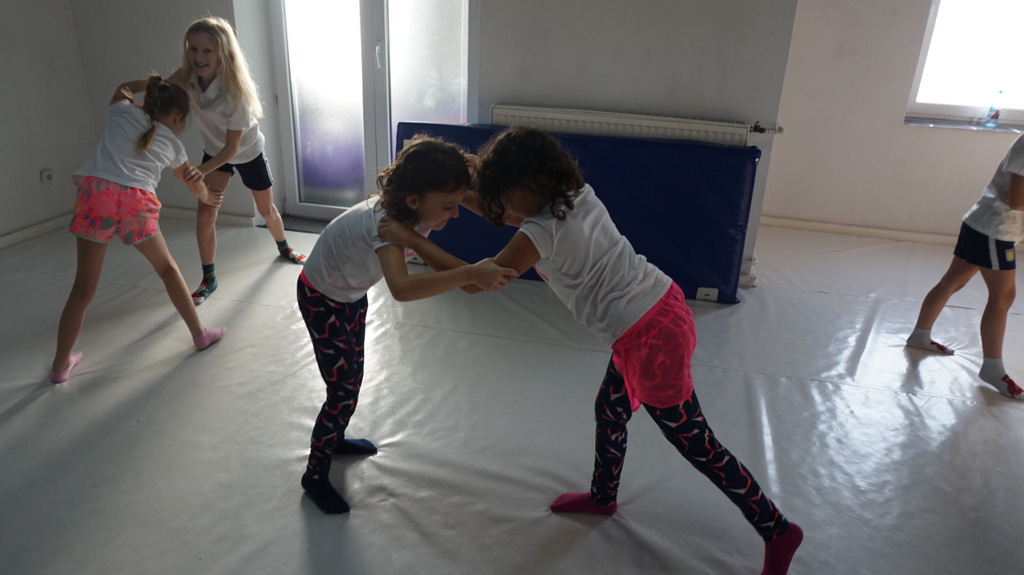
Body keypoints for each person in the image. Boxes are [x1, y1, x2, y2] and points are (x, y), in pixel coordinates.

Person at [381, 127, 803, 575]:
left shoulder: (540, 232)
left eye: (507, 194)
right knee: (611, 409)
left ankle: (777, 529)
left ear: (532, 186)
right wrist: (452, 185)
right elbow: (499, 210)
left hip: (650, 337)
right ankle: (604, 497)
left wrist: (415, 240)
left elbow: (477, 282)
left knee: (697, 444)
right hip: (657, 309)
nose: (502, 205)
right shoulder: (576, 194)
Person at [297, 135, 518, 514]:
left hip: (350, 294)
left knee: (351, 381)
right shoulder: (385, 226)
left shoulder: (425, 197)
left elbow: (483, 217)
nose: (456, 213)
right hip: (322, 299)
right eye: (448, 206)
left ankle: (335, 437)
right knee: (343, 390)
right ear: (414, 200)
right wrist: (470, 272)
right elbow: (401, 288)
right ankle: (314, 473)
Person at [50, 76, 227, 384]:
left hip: (97, 198)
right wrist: (208, 197)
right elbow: (192, 182)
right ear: (177, 117)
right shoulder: (174, 145)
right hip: (136, 205)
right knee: (167, 269)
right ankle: (199, 334)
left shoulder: (122, 112)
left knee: (83, 289)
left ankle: (60, 366)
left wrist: (154, 81)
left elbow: (124, 88)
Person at [170, 16, 305, 306]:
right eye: (193, 49)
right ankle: (209, 278)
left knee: (266, 210)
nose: (199, 57)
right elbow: (159, 88)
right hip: (214, 151)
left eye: (207, 51)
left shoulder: (235, 94)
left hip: (246, 151)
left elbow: (232, 148)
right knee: (205, 214)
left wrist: (200, 171)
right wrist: (128, 90)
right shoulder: (187, 77)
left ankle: (284, 247)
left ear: (222, 53)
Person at [907, 134, 1024, 399]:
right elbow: (1017, 200)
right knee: (1003, 296)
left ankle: (919, 336)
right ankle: (992, 369)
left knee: (953, 282)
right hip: (994, 229)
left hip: (983, 224)